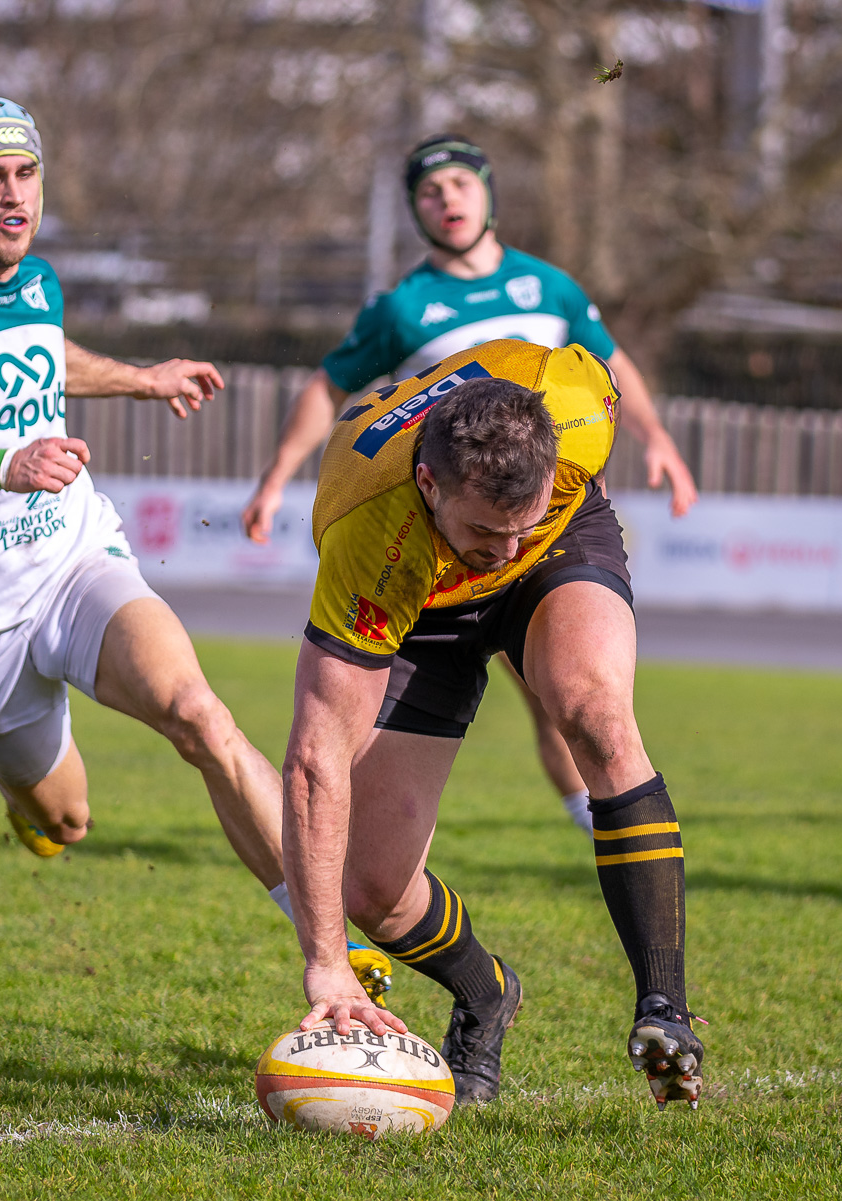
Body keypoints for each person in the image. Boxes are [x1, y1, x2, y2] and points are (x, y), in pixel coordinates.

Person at [0, 96, 394, 1003]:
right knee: (67, 817)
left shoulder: (36, 279)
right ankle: (29, 808)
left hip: (74, 558)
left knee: (201, 717)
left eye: (26, 174)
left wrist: (142, 379)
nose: (15, 197)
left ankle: (324, 943)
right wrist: (0, 466)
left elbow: (42, 351)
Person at [279, 338, 703, 1109]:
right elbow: (316, 759)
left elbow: (579, 442)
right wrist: (328, 960)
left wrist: (529, 533)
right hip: (422, 604)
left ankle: (665, 1010)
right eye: (487, 533)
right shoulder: (365, 526)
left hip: (561, 551)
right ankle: (486, 991)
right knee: (374, 886)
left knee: (594, 708)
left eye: (518, 525)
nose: (502, 551)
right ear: (429, 481)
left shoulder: (577, 406)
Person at [241, 133, 698, 838]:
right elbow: (328, 386)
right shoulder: (403, 308)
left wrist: (657, 437)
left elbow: (612, 365)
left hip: (551, 525)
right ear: (414, 211)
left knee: (564, 690)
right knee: (538, 690)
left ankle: (599, 825)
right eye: (429, 191)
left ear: (488, 192)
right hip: (449, 544)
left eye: (459, 183)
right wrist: (277, 477)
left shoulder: (548, 287)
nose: (446, 199)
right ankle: (386, 846)